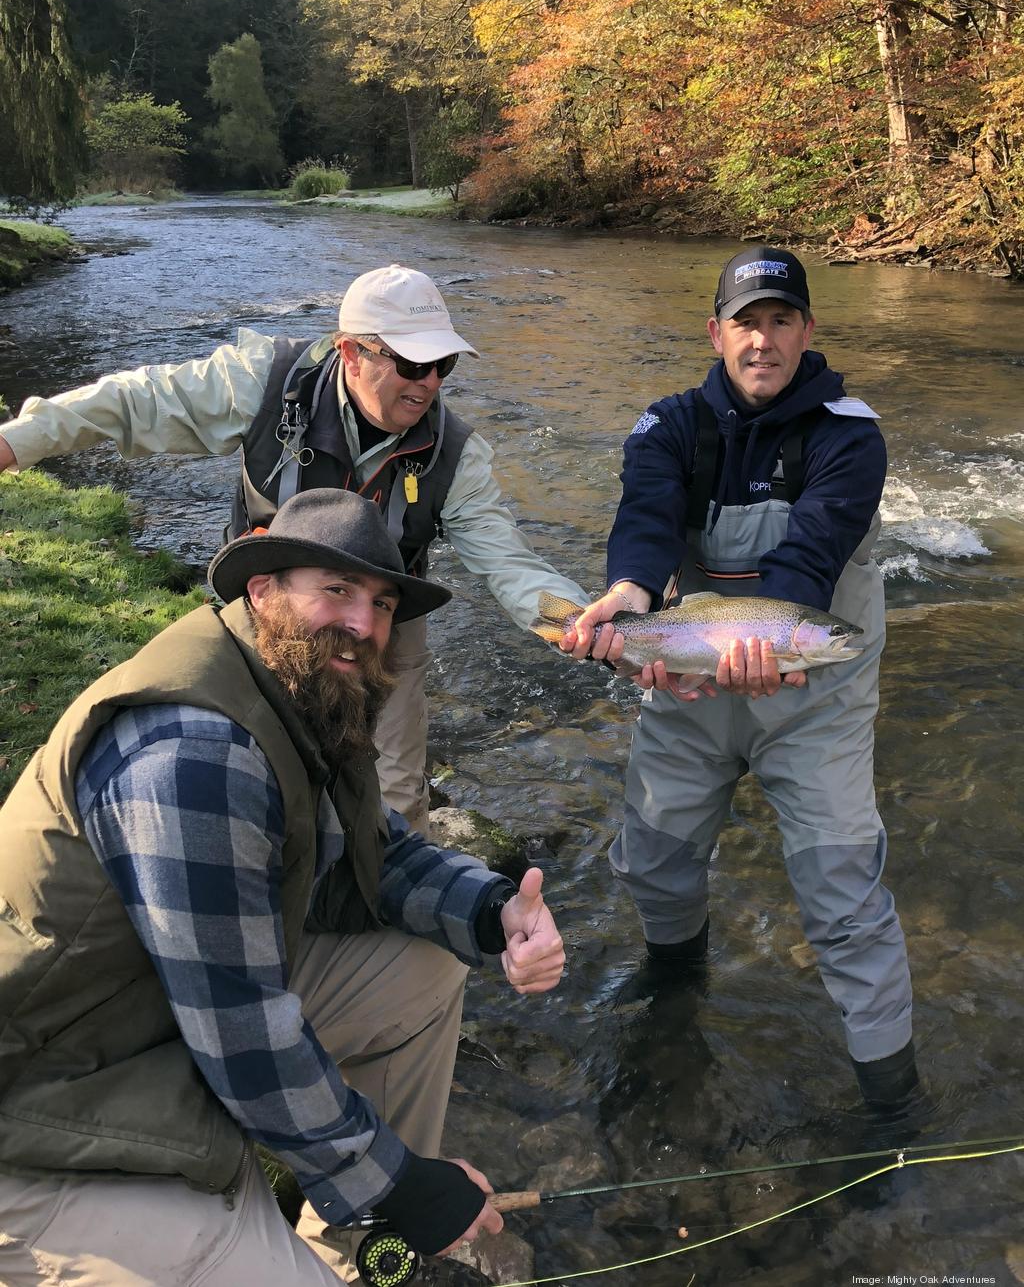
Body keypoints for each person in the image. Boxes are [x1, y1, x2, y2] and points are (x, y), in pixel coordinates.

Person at [0, 487, 566, 1286]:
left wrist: (492, 910)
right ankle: (366, 1197)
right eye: (334, 590)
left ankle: (354, 1228)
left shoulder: (294, 688)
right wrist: (408, 1183)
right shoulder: (194, 753)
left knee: (428, 963)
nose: (364, 624)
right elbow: (243, 1031)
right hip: (40, 1106)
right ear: (261, 590)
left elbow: (376, 853)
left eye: (379, 601)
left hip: (148, 1018)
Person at [0, 264, 588, 831]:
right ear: (351, 352)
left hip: (379, 622)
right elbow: (135, 401)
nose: (429, 383)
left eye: (444, 364)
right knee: (240, 761)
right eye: (412, 362)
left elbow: (507, 563)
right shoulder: (263, 383)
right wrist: (15, 443)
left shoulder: (456, 453)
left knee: (397, 793)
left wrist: (579, 626)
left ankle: (383, 911)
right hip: (268, 602)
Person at [561, 247, 918, 1111]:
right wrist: (626, 598)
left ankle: (894, 1096)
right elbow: (645, 520)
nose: (763, 341)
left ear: (807, 330)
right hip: (689, 677)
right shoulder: (668, 425)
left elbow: (812, 554)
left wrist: (777, 637)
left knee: (842, 893)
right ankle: (677, 983)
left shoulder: (850, 434)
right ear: (715, 331)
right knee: (653, 858)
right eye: (746, 322)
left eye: (780, 321)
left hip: (814, 694)